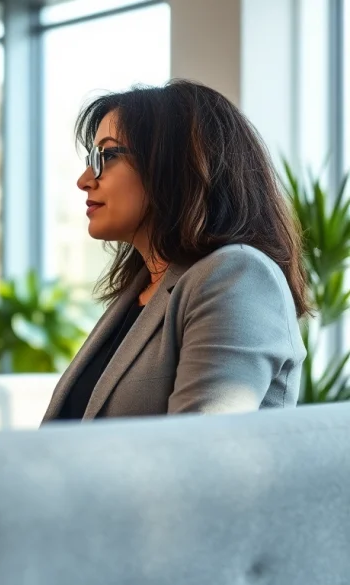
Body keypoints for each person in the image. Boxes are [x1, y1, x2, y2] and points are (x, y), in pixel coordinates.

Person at [41, 80, 309, 423]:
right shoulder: (142, 289)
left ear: (174, 163)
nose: (84, 179)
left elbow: (195, 452)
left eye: (105, 156)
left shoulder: (237, 277)